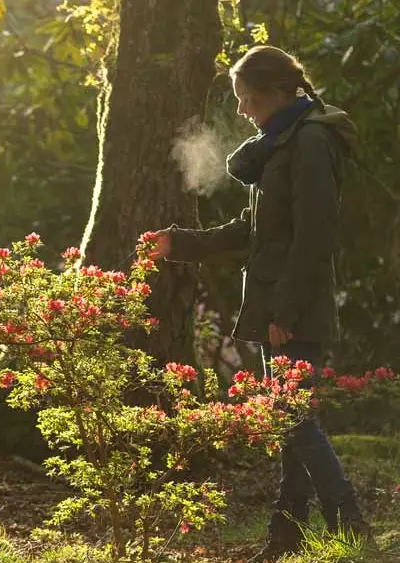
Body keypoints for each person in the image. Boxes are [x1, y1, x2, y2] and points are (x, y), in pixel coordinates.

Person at [146, 45, 372, 562]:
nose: (242, 109)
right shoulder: (280, 143)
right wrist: (177, 243)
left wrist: (285, 314)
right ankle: (285, 537)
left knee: (294, 419)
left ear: (275, 92)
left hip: (294, 307)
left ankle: (352, 528)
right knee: (290, 419)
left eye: (247, 98)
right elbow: (254, 232)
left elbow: (315, 235)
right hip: (281, 304)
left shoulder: (310, 141)